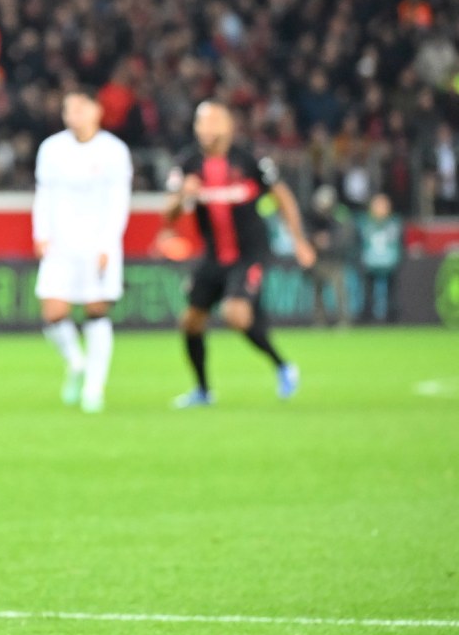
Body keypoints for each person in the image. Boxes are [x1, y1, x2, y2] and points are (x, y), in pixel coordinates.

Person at [162, 101, 315, 407]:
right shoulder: (187, 163)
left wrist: (299, 240)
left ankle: (283, 366)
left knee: (235, 314)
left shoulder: (251, 159)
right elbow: (168, 215)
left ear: (228, 126)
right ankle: (203, 391)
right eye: (201, 122)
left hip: (250, 254)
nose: (206, 128)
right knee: (190, 322)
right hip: (213, 256)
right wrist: (182, 197)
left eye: (213, 121)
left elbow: (282, 197)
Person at [32, 90, 133, 413]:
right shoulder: (51, 148)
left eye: (79, 107)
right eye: (68, 109)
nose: (73, 114)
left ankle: (94, 387)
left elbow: (119, 201)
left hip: (97, 243)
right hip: (60, 242)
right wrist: (40, 233)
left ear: (96, 111)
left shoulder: (114, 151)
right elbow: (43, 193)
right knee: (52, 311)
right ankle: (76, 361)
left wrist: (108, 243)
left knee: (96, 310)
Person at [304, 185, 354, 327]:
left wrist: (329, 242)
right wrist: (315, 240)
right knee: (317, 291)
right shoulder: (312, 215)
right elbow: (305, 233)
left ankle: (344, 320)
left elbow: (345, 236)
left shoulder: (340, 214)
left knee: (340, 291)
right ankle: (319, 320)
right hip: (318, 259)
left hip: (334, 260)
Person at [357, 192, 403, 322]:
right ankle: (367, 318)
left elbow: (400, 243)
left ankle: (391, 319)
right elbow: (358, 243)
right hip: (369, 263)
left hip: (389, 263)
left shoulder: (394, 223)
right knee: (367, 293)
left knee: (392, 294)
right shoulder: (364, 222)